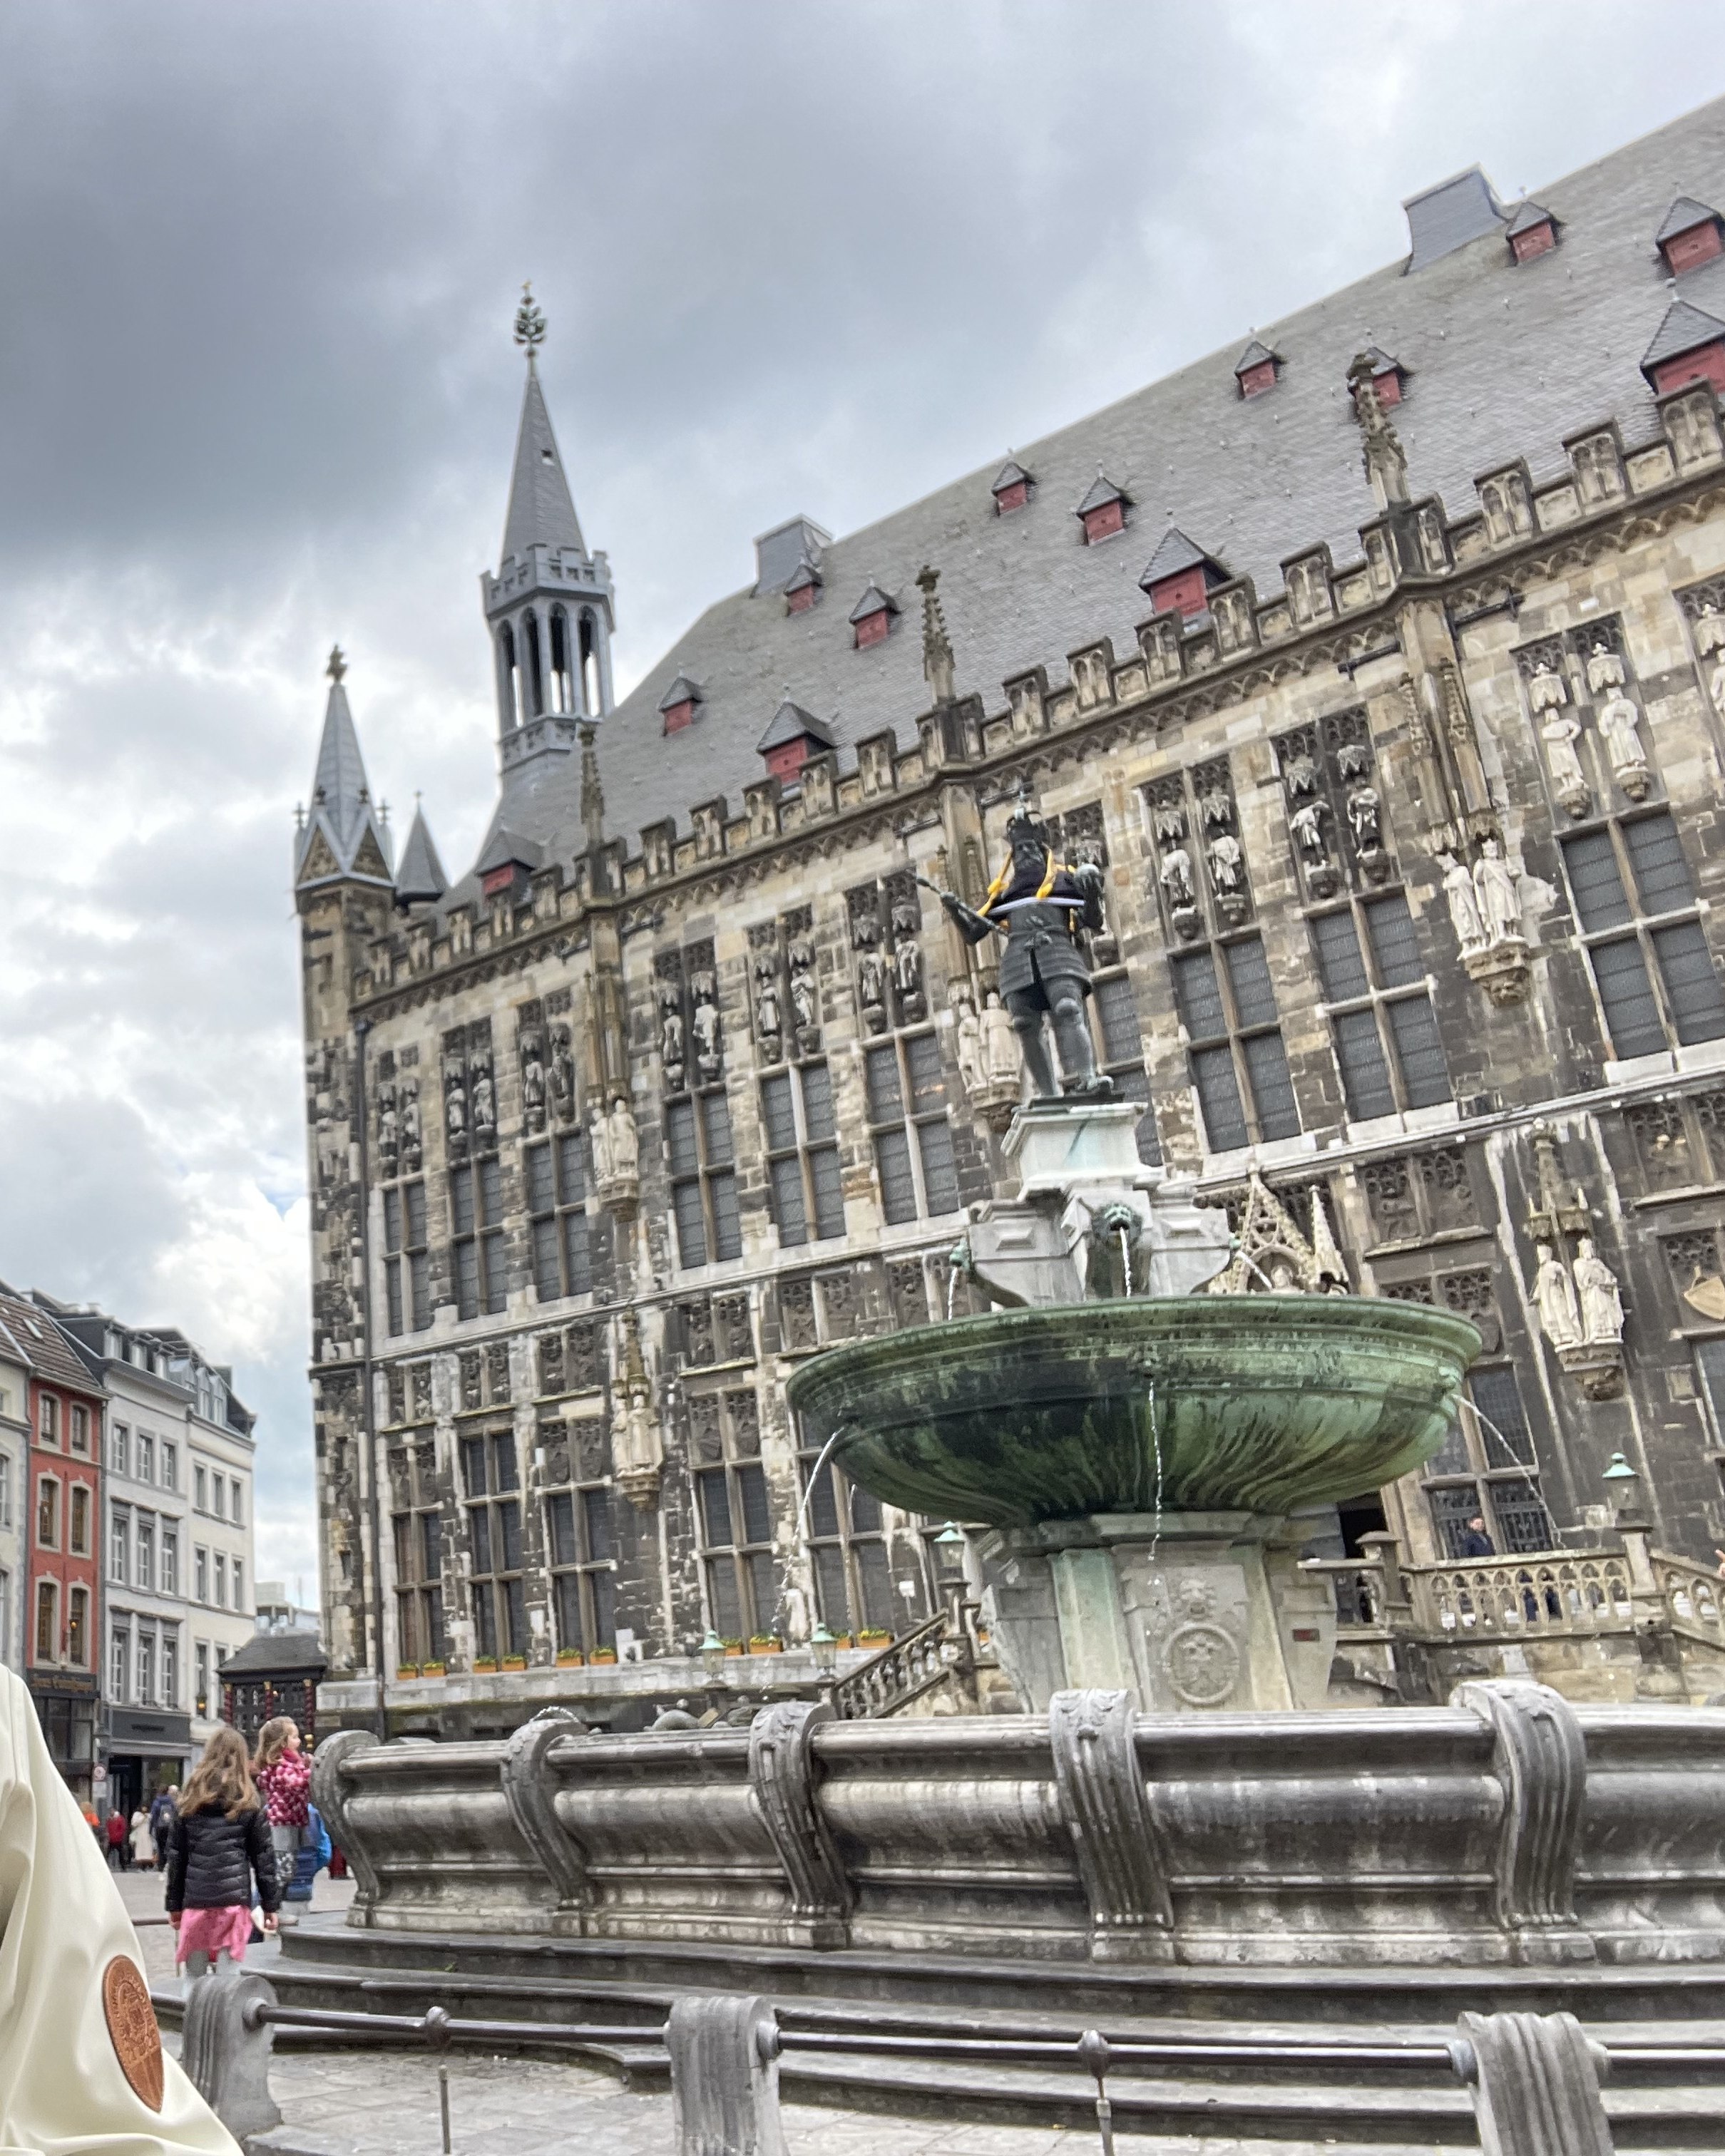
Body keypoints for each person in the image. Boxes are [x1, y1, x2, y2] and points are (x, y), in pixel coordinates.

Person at [0, 1663, 238, 2153]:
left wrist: (177, 1898)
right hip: (221, 1897)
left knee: (212, 1979)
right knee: (223, 1976)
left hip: (204, 1897)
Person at [164, 1725, 280, 1985]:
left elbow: (177, 1860)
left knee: (193, 1976)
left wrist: (174, 1906)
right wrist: (270, 1905)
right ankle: (225, 2025)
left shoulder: (189, 1801)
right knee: (229, 1977)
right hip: (233, 1902)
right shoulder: (249, 1802)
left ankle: (193, 2023)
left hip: (196, 1902)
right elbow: (264, 1860)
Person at [253, 1715, 313, 1908]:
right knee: (283, 1870)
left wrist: (303, 1767)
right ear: (282, 1743)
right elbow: (296, 1784)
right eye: (294, 1737)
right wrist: (311, 1771)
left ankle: (272, 1905)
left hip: (293, 1821)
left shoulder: (291, 1763)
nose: (299, 1740)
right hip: (282, 1823)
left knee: (288, 1869)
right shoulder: (280, 1765)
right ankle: (268, 1907)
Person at [150, 1780, 179, 1864]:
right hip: (169, 1826)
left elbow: (153, 1815)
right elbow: (176, 1813)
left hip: (159, 1827)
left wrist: (151, 1828)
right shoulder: (171, 1802)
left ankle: (161, 1864)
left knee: (160, 1845)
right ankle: (168, 1862)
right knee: (169, 1844)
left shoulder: (157, 1801)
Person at [130, 1803, 156, 1870]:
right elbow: (134, 1823)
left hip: (147, 1835)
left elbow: (152, 1823)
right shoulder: (137, 1814)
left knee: (148, 1850)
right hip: (139, 1835)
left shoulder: (149, 1815)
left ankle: (147, 1865)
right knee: (140, 1850)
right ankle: (140, 1866)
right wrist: (142, 1818)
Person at [105, 1805, 129, 1872]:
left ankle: (124, 1867)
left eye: (112, 1811)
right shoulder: (109, 1819)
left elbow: (123, 1828)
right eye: (110, 1811)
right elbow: (108, 1828)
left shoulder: (120, 1819)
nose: (111, 1812)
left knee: (121, 1854)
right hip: (112, 1839)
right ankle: (104, 1865)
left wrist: (120, 1836)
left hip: (118, 1839)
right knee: (108, 1853)